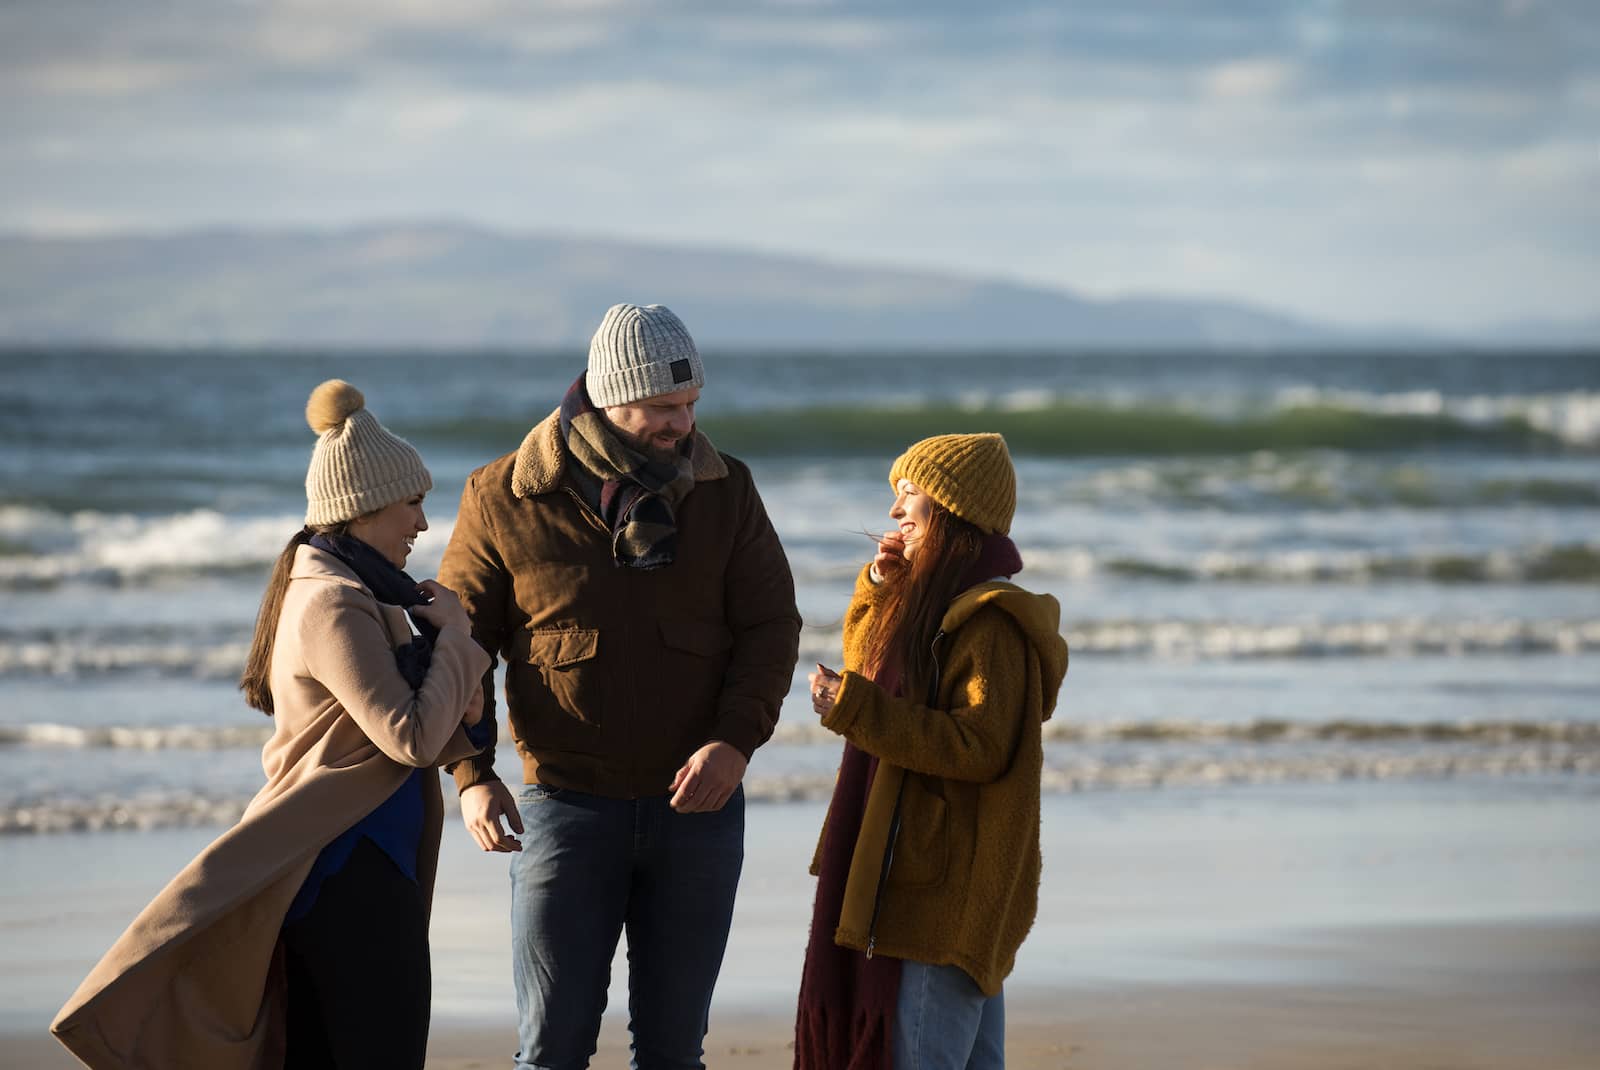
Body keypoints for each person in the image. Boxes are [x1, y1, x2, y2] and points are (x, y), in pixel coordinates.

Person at [52, 380, 493, 1070]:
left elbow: (427, 729)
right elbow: (407, 737)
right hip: (348, 868)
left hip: (371, 863)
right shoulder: (334, 604)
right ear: (367, 508)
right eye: (413, 503)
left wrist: (451, 666)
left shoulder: (370, 597)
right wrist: (461, 639)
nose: (422, 524)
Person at [437, 302, 802, 1069]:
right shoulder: (504, 495)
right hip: (564, 808)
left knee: (674, 1054)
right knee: (552, 1050)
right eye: (665, 406)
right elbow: (461, 650)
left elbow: (771, 629)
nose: (684, 423)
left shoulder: (726, 490)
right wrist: (472, 773)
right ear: (609, 396)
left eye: (692, 403)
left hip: (697, 810)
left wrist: (733, 744)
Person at [795, 432, 1069, 1070]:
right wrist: (880, 587)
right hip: (923, 878)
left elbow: (978, 747)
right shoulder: (932, 603)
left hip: (944, 892)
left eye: (909, 494)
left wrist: (855, 709)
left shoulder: (990, 622)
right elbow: (871, 668)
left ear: (948, 512)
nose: (895, 511)